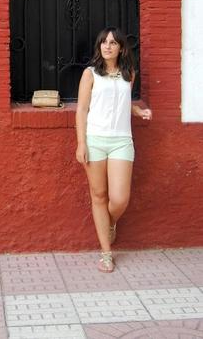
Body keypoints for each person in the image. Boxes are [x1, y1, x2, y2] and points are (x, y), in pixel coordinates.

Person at [75, 27, 152, 272]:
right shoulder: (90, 74)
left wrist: (138, 110)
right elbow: (82, 110)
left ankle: (110, 222)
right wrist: (81, 143)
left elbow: (123, 103)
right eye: (104, 42)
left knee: (119, 199)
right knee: (98, 196)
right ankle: (106, 253)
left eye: (113, 43)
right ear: (99, 47)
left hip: (121, 140)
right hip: (95, 140)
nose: (107, 46)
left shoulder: (129, 73)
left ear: (121, 48)